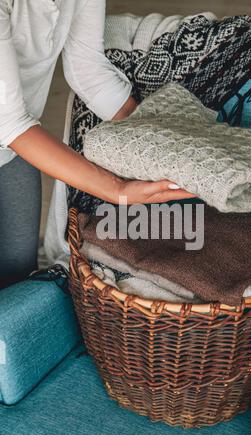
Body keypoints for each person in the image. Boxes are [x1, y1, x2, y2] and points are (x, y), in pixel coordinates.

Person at [0, 0, 193, 288]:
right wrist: (118, 189)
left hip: (13, 151)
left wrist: (155, 142)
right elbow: (10, 122)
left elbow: (87, 70)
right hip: (15, 133)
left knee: (17, 281)